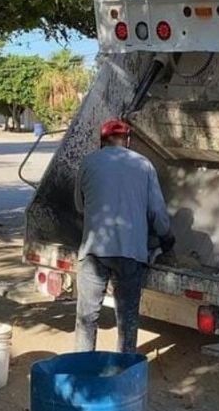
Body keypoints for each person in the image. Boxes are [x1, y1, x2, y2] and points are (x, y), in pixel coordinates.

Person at [74, 119, 175, 353]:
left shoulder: (88, 163)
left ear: (102, 141)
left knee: (86, 318)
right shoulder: (144, 165)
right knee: (127, 318)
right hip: (130, 252)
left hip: (93, 251)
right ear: (127, 140)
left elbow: (80, 206)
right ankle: (125, 368)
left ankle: (82, 368)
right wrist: (166, 238)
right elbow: (156, 212)